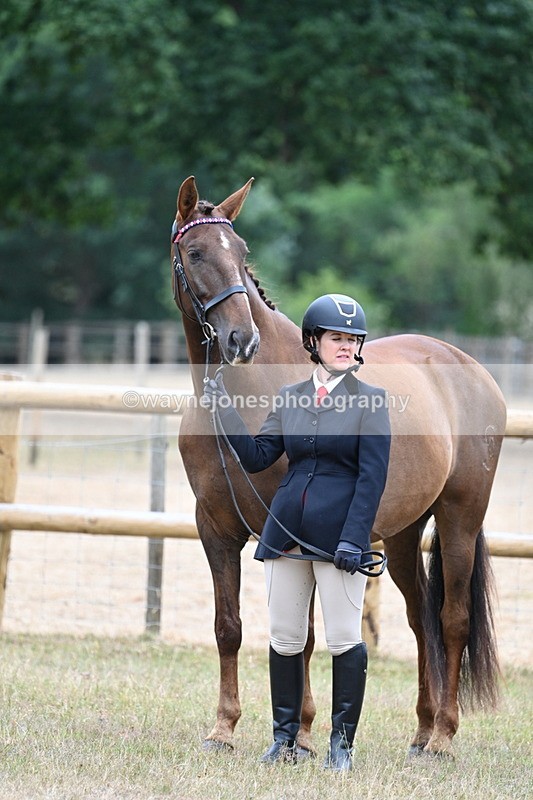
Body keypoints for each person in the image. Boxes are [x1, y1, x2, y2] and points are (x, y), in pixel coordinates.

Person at [203, 294, 391, 771]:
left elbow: (372, 480)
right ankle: (284, 737)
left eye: (353, 340)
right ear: (314, 342)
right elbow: (258, 457)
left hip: (340, 538)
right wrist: (223, 409)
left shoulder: (371, 402)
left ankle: (341, 746)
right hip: (286, 530)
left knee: (344, 639)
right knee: (286, 638)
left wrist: (355, 538)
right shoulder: (289, 397)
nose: (346, 346)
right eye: (337, 339)